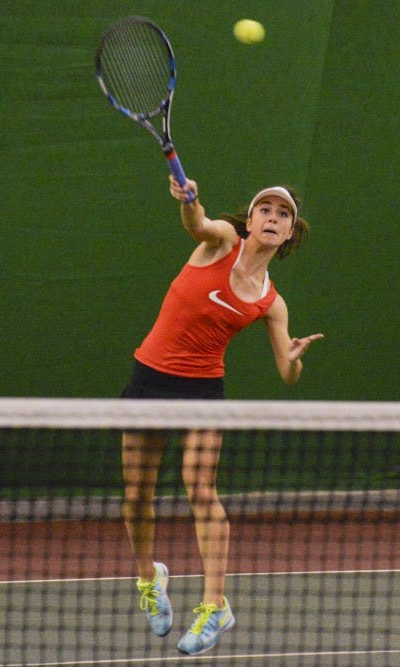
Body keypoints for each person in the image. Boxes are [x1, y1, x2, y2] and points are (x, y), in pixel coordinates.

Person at [120, 175, 324, 656]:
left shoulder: (272, 304)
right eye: (266, 210)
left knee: (200, 486)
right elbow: (198, 225)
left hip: (203, 390)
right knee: (135, 498)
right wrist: (189, 201)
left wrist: (293, 359)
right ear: (249, 221)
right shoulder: (222, 244)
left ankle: (216, 605)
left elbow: (286, 375)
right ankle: (149, 578)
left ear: (290, 232)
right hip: (149, 379)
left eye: (283, 214)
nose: (274, 218)